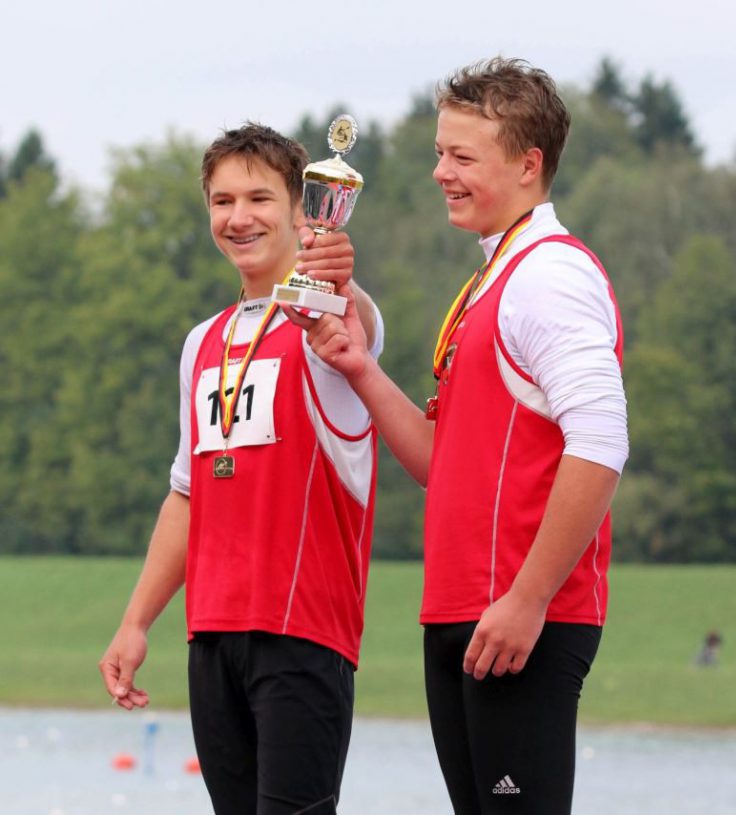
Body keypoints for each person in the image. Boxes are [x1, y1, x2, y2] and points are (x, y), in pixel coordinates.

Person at [288, 58, 628, 814]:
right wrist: (360, 367)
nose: (441, 172)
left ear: (528, 165)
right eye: (440, 152)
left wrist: (528, 598)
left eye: (462, 157)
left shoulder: (549, 276)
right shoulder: (492, 279)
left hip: (518, 614)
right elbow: (442, 465)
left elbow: (602, 442)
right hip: (461, 610)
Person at [98, 122, 383, 815]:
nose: (239, 217)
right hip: (212, 635)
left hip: (301, 632)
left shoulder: (326, 327)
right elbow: (187, 494)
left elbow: (361, 323)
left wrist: (337, 278)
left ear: (299, 209)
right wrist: (136, 621)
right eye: (222, 201)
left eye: (259, 199)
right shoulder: (203, 343)